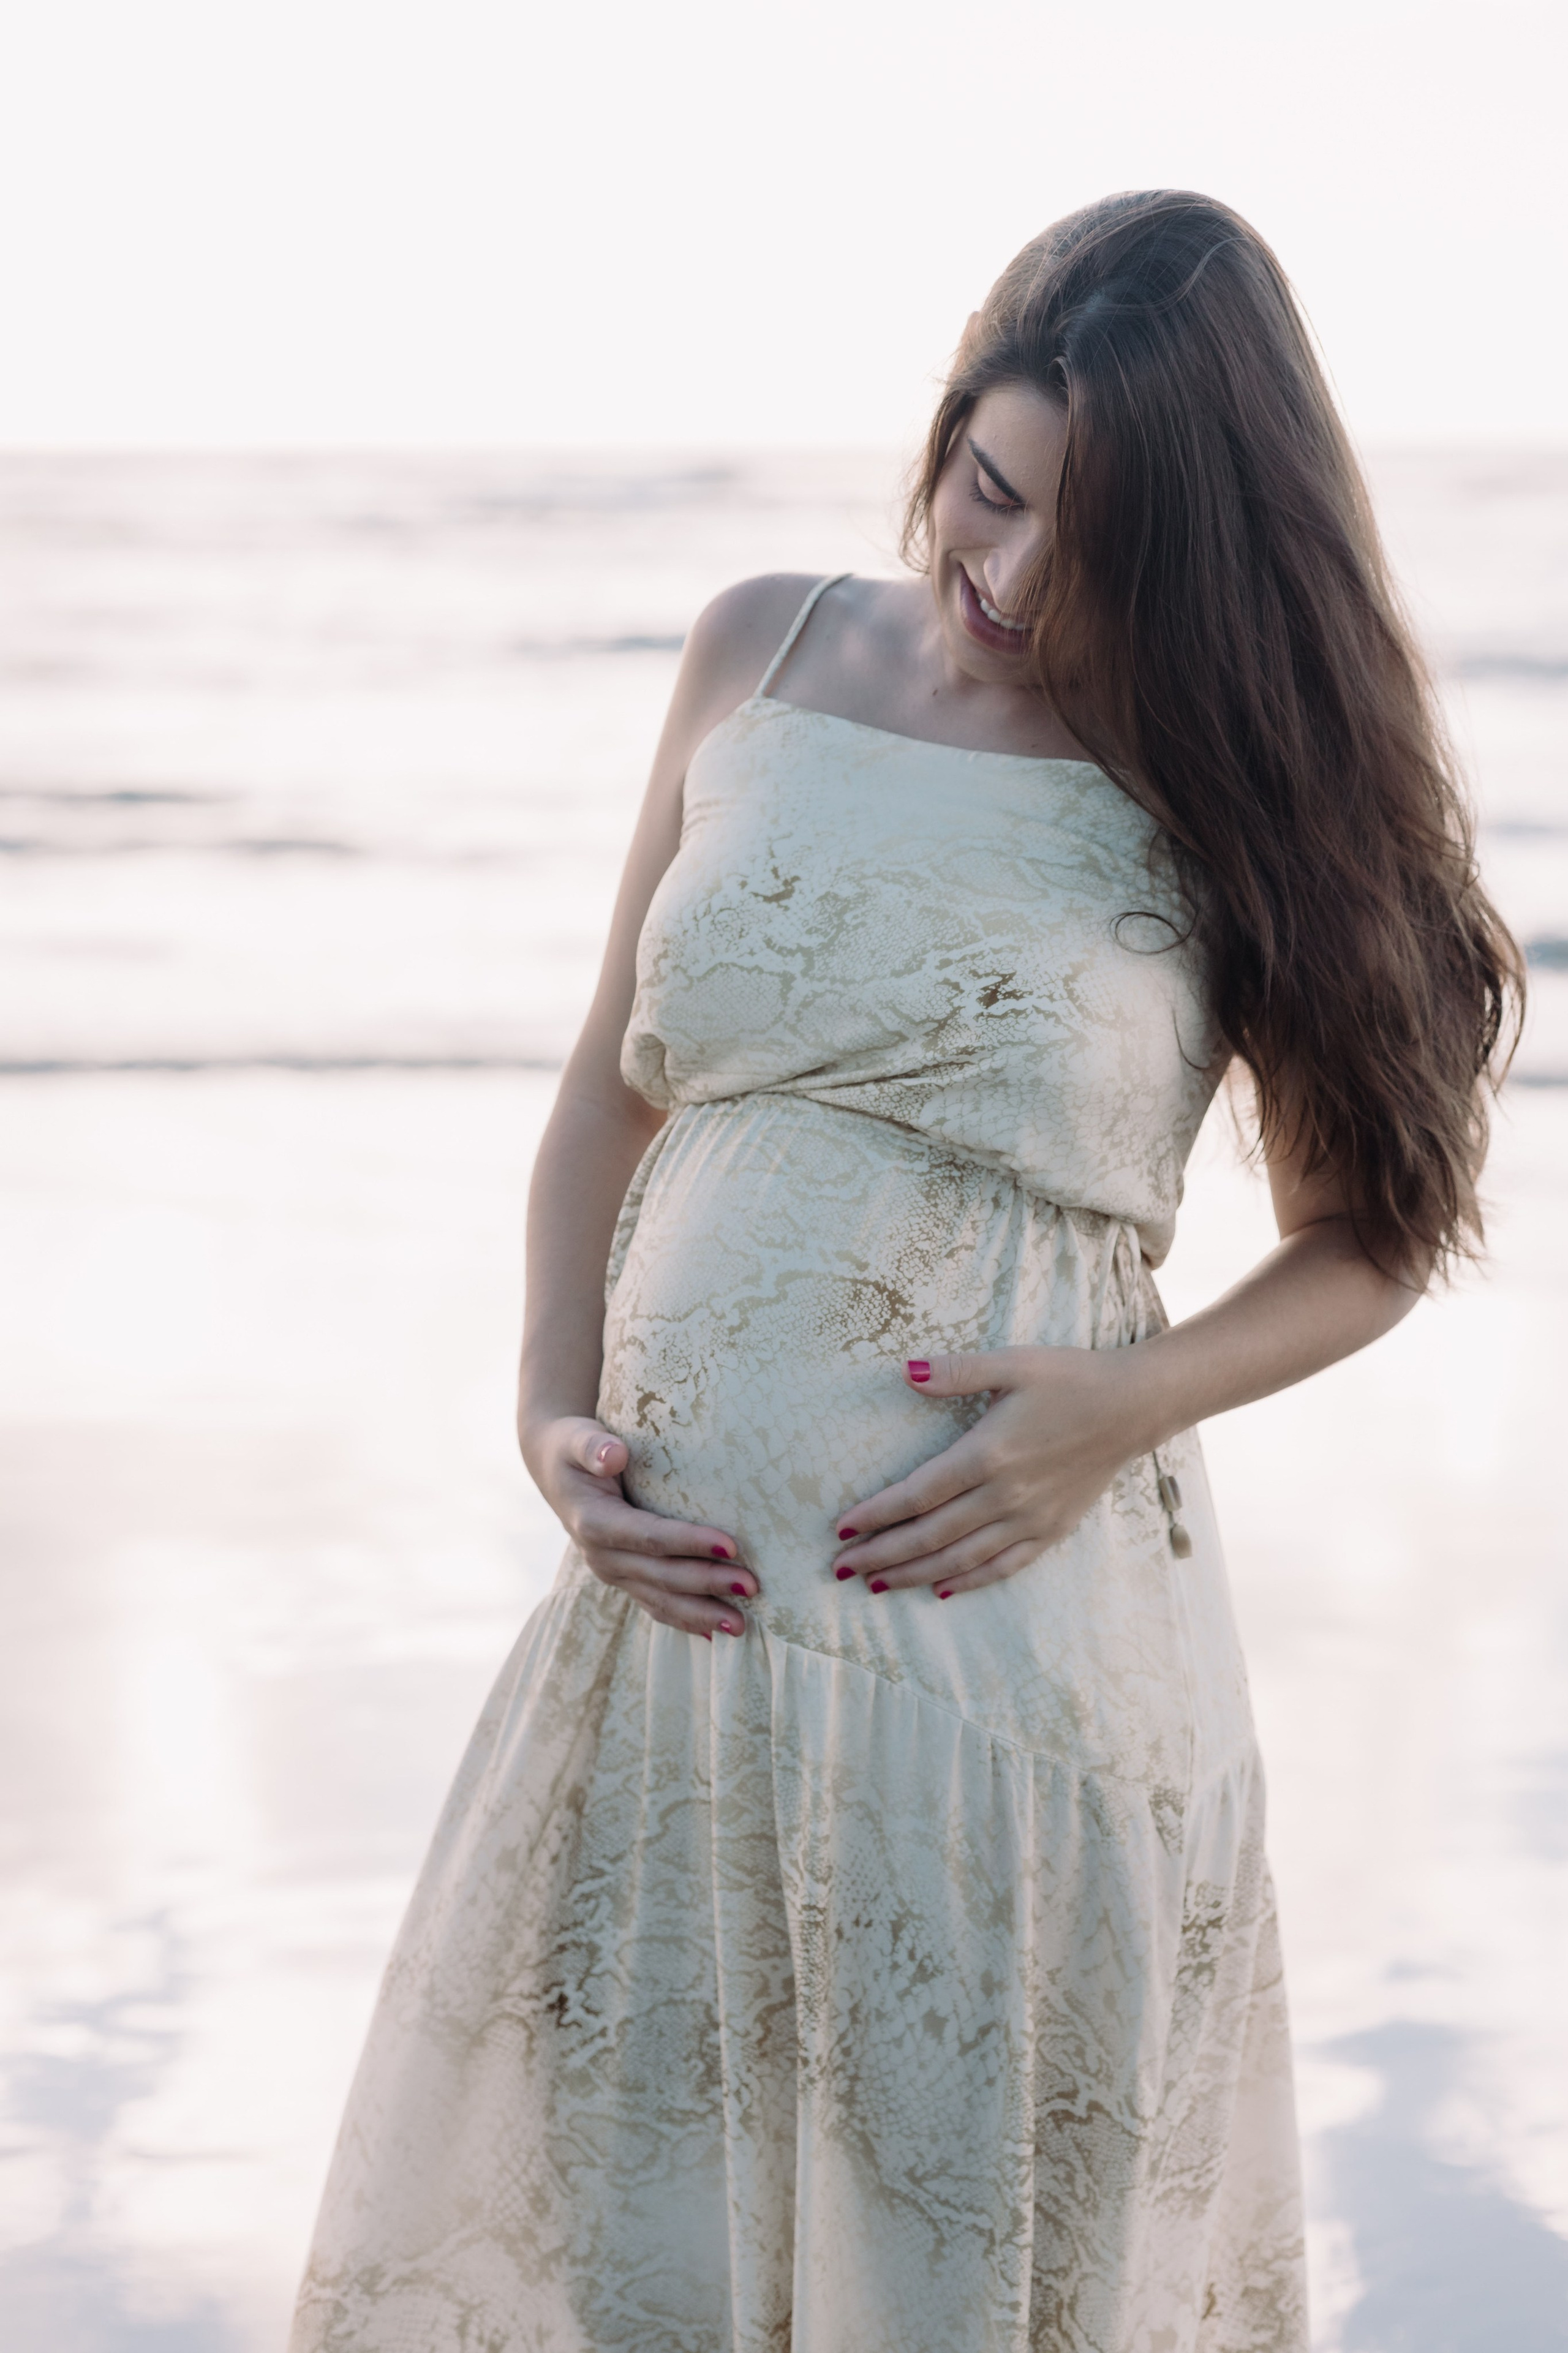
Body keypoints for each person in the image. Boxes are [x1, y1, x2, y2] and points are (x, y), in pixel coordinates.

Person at [289, 191, 1521, 2352]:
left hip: (1003, 1692)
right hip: (670, 1666)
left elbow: (1376, 1237)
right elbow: (611, 1088)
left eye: (1096, 546)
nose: (1013, 579)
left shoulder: (1234, 791)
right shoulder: (755, 648)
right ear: (951, 423)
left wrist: (1127, 1402)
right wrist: (546, 1407)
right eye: (992, 491)